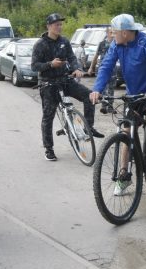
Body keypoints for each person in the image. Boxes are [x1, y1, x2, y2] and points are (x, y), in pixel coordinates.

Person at [89, 14, 146, 193]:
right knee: (126, 132)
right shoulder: (117, 45)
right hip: (133, 94)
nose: (111, 34)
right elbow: (106, 66)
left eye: (114, 31)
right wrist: (97, 89)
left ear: (125, 32)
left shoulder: (145, 42)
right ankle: (124, 175)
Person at [31, 13, 103, 161]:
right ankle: (49, 149)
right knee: (48, 117)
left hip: (65, 80)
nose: (59, 27)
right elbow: (34, 66)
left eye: (61, 24)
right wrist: (50, 64)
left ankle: (88, 127)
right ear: (49, 26)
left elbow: (71, 57)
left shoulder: (64, 41)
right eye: (56, 24)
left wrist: (76, 69)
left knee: (89, 96)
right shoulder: (40, 44)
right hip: (48, 84)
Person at [88, 27, 116, 113]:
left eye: (113, 32)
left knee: (111, 88)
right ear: (107, 33)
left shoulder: (116, 43)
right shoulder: (102, 44)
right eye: (110, 32)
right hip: (103, 69)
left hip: (113, 69)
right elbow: (96, 56)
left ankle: (110, 106)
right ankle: (104, 105)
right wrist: (91, 67)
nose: (112, 35)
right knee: (103, 88)